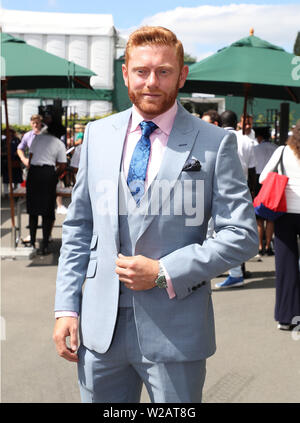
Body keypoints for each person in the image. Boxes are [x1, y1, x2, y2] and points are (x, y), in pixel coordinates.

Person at [53, 26, 258, 403]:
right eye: (142, 71)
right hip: (100, 329)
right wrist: (66, 306)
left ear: (182, 75)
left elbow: (242, 234)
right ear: (125, 72)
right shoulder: (98, 135)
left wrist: (165, 272)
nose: (152, 82)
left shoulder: (215, 142)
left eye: (164, 71)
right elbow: (80, 226)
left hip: (176, 329)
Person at [259, 120, 300, 331]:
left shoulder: (283, 151)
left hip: (284, 213)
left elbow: (264, 178)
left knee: (286, 266)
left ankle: (287, 317)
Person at [215, 110, 257, 289]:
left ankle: (235, 273)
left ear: (219, 122)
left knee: (220, 232)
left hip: (219, 189)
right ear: (236, 122)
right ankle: (236, 271)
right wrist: (253, 191)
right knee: (240, 229)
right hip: (243, 188)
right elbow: (254, 169)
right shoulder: (247, 141)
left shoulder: (215, 138)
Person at [26, 123, 67, 255]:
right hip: (48, 173)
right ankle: (44, 244)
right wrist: (54, 174)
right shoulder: (59, 143)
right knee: (47, 211)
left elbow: (30, 157)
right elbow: (62, 165)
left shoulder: (37, 138)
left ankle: (32, 242)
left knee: (33, 209)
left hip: (33, 173)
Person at [253, 127, 278, 256]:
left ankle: (259, 246)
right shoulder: (276, 148)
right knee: (270, 217)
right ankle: (269, 246)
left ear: (259, 137)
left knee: (258, 217)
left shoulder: (255, 149)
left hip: (257, 180)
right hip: (273, 181)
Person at [1, 128, 23, 194]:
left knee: (16, 178)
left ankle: (16, 192)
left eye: (10, 132)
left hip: (15, 161)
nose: (8, 133)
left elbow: (21, 148)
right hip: (6, 162)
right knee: (6, 178)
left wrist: (18, 152)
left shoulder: (17, 140)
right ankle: (6, 193)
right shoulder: (3, 141)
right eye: (6, 132)